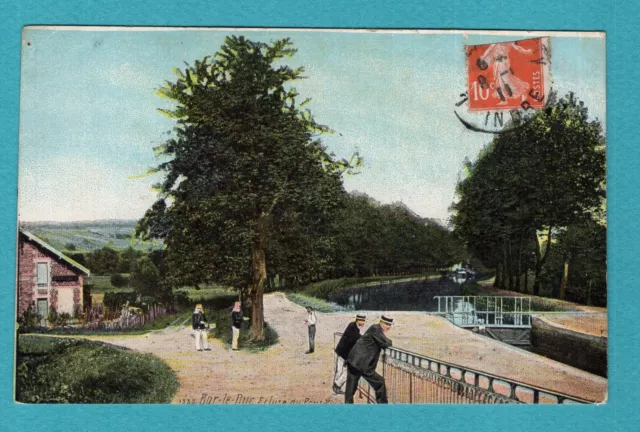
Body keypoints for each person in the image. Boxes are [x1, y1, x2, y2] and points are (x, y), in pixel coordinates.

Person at [344, 315, 393, 404]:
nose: (388, 327)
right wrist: (389, 342)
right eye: (386, 324)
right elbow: (386, 342)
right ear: (381, 322)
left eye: (390, 324)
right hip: (361, 364)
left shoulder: (375, 329)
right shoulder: (376, 328)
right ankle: (384, 407)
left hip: (353, 361)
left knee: (350, 389)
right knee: (380, 382)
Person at [333, 313, 366, 394]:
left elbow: (355, 336)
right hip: (344, 354)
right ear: (358, 320)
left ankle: (335, 387)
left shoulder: (352, 326)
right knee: (344, 373)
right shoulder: (353, 327)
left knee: (340, 371)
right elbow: (354, 339)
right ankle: (336, 385)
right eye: (363, 321)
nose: (364, 323)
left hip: (341, 352)